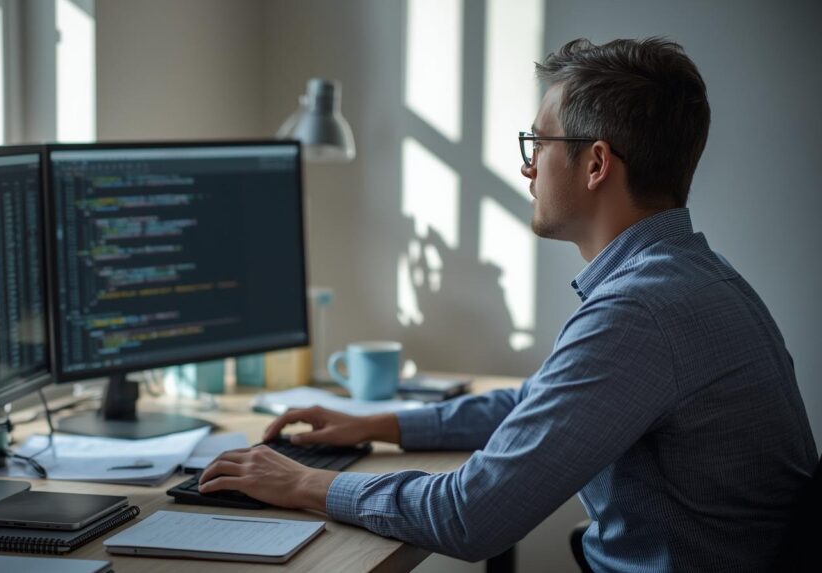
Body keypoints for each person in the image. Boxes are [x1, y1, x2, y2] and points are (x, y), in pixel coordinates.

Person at [199, 38, 818, 571]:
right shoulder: (690, 277)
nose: (527, 170)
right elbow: (540, 402)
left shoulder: (640, 312)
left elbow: (472, 517)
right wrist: (378, 424)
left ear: (596, 163)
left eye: (538, 144)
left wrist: (305, 481)